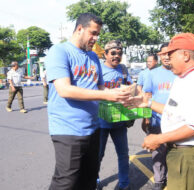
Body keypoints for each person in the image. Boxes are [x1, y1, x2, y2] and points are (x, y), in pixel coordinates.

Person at [45, 13, 131, 190]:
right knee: (66, 182)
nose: (95, 38)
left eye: (98, 34)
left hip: (93, 128)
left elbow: (98, 87)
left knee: (89, 179)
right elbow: (64, 89)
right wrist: (107, 96)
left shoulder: (92, 57)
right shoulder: (59, 51)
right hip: (68, 129)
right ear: (79, 29)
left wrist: (118, 93)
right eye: (92, 33)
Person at [128, 33, 194, 190]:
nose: (167, 60)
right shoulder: (183, 78)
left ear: (185, 55)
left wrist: (158, 139)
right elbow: (173, 112)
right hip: (179, 152)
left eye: (170, 55)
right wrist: (147, 103)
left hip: (186, 154)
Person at [97, 40, 133, 190]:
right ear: (105, 54)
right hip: (101, 121)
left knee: (124, 155)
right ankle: (95, 181)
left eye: (119, 53)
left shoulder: (123, 69)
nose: (116, 56)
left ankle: (124, 185)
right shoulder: (98, 69)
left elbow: (130, 88)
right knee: (98, 155)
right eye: (113, 53)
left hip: (119, 121)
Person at [142, 44, 176, 190]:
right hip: (157, 120)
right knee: (158, 152)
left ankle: (173, 179)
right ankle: (159, 180)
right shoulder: (152, 74)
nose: (166, 57)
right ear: (160, 56)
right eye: (163, 54)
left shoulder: (180, 73)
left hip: (176, 121)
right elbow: (147, 96)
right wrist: (146, 118)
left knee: (174, 152)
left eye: (169, 53)